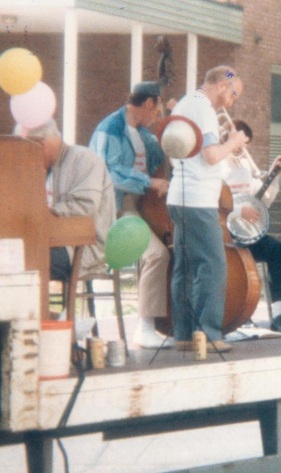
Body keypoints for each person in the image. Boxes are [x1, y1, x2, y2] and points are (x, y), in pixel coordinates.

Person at [166, 65, 248, 353]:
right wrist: (234, 142)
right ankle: (209, 334)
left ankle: (184, 336)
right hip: (199, 199)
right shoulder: (204, 110)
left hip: (179, 195)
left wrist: (226, 146)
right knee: (213, 266)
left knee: (185, 269)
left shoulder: (187, 103)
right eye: (233, 93)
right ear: (223, 86)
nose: (233, 101)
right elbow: (212, 155)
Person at [90, 81, 172, 348]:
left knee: (165, 251)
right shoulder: (110, 128)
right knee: (157, 254)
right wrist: (149, 182)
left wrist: (171, 122)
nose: (156, 117)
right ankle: (145, 328)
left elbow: (163, 153)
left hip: (135, 205)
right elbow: (108, 173)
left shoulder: (140, 132)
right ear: (149, 103)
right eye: (157, 111)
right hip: (113, 207)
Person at [14, 119, 115, 281]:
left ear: (41, 143)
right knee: (7, 259)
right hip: (48, 241)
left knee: (27, 262)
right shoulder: (38, 165)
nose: (26, 154)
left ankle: (36, 306)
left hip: (83, 248)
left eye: (28, 148)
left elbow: (84, 206)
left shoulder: (85, 159)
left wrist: (44, 214)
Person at [220, 119, 281, 336]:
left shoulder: (244, 168)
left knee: (278, 250)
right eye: (242, 142)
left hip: (247, 233)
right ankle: (242, 314)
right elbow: (214, 205)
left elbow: (263, 201)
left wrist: (274, 176)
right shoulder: (217, 168)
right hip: (225, 234)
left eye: (247, 143)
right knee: (239, 258)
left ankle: (279, 314)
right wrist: (237, 211)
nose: (245, 148)